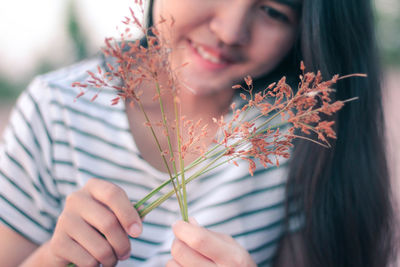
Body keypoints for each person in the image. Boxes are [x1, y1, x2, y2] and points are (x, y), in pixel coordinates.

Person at [0, 0, 396, 266]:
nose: (229, 30)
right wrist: (55, 256)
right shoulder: (55, 111)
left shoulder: (292, 138)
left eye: (274, 10)